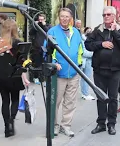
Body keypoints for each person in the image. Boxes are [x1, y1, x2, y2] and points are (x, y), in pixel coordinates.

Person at [85, 6, 120, 135]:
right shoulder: (98, 30)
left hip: (115, 70)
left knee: (113, 98)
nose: (106, 17)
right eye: (104, 15)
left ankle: (111, 124)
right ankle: (101, 123)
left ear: (114, 16)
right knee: (100, 97)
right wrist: (101, 44)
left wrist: (115, 32)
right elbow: (88, 44)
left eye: (109, 14)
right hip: (99, 70)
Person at [44, 8, 83, 137]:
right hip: (58, 75)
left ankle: (66, 126)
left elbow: (80, 49)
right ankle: (54, 126)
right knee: (55, 101)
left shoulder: (76, 32)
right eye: (62, 16)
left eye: (67, 16)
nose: (64, 19)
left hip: (73, 73)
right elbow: (46, 51)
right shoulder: (52, 31)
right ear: (58, 17)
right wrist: (54, 62)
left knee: (70, 102)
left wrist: (79, 64)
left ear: (70, 18)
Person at [0, 19, 30, 138]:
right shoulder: (19, 44)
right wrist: (25, 77)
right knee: (14, 99)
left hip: (1, 75)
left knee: (5, 101)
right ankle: (11, 121)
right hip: (14, 74)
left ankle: (6, 127)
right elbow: (22, 62)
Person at [29, 14, 51, 84]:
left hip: (45, 48)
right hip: (36, 48)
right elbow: (30, 33)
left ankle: (44, 78)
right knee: (36, 63)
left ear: (45, 20)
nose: (40, 21)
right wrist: (35, 25)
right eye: (39, 20)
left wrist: (44, 25)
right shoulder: (36, 26)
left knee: (45, 64)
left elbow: (48, 33)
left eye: (42, 20)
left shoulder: (48, 26)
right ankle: (36, 77)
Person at [80, 27, 95, 100]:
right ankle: (85, 93)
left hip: (87, 61)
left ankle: (84, 93)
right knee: (86, 78)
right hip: (85, 61)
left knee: (85, 78)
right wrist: (94, 53)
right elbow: (84, 52)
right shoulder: (83, 40)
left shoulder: (88, 40)